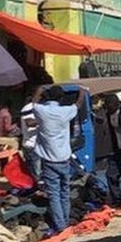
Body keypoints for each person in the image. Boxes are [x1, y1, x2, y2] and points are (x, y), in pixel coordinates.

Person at [32, 85, 85, 233]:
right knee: (65, 191)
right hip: (64, 158)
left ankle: (60, 225)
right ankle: (66, 221)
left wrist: (39, 90)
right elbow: (79, 105)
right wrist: (81, 91)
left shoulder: (41, 111)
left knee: (53, 193)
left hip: (49, 160)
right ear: (61, 98)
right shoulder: (65, 111)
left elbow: (34, 102)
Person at [19, 96, 40, 184]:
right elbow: (30, 123)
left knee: (34, 169)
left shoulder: (36, 108)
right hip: (31, 145)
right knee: (36, 171)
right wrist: (46, 119)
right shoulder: (28, 109)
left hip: (33, 144)